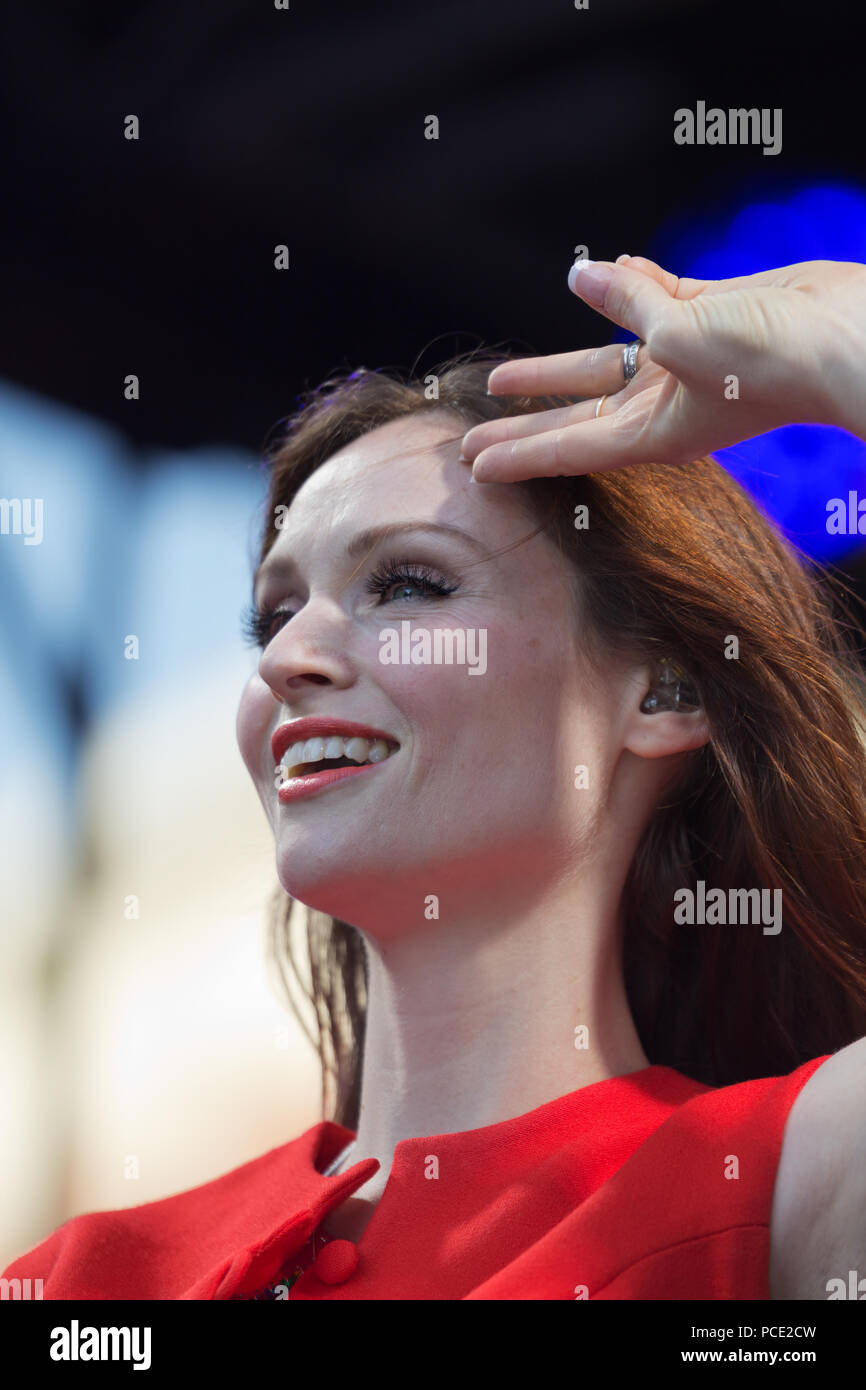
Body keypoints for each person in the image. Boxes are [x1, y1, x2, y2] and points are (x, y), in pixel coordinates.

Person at [4, 255, 866, 1301]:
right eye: (272, 617)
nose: (284, 660)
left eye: (407, 583)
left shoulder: (785, 1182)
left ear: (665, 694)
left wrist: (840, 340)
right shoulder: (80, 1281)